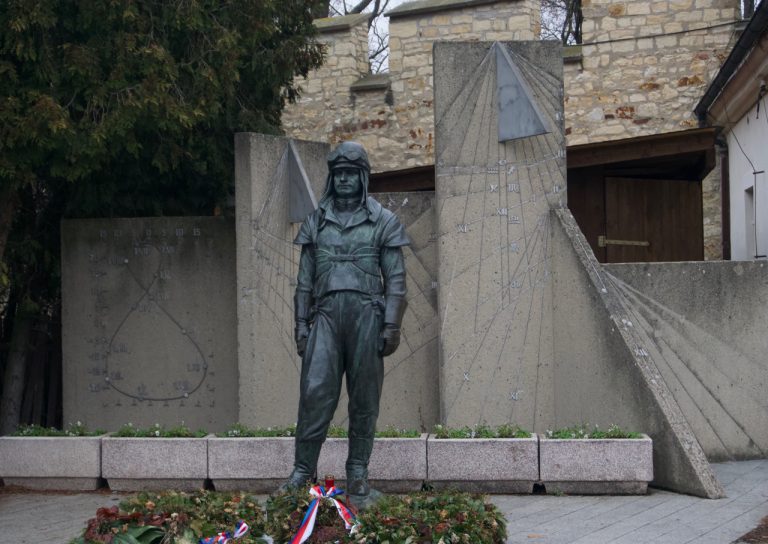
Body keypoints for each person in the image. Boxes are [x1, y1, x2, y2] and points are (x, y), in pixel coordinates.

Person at [284, 141, 409, 508]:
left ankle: (358, 473)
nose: (343, 180)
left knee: (365, 399)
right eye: (337, 174)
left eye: (350, 174)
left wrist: (392, 326)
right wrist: (301, 325)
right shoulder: (316, 222)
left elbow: (397, 281)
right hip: (324, 318)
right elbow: (304, 282)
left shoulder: (383, 221)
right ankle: (301, 472)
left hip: (367, 317)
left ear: (363, 178)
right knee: (314, 395)